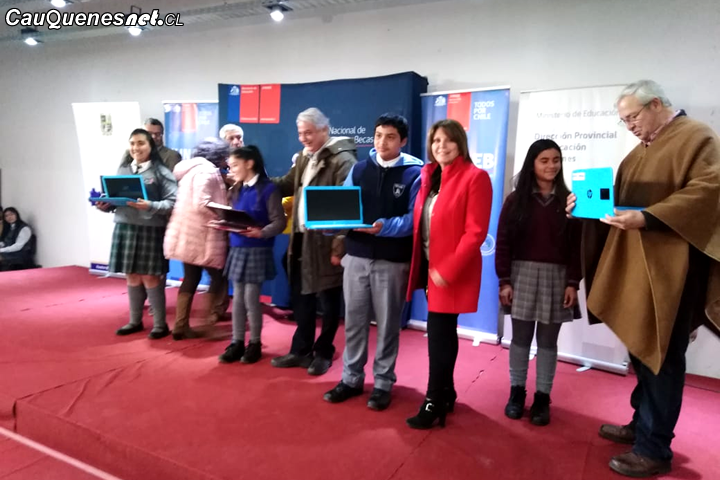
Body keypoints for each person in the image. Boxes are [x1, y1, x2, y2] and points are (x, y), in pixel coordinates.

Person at [567, 80, 720, 478]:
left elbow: (710, 190)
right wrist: (584, 205)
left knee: (662, 356)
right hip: (638, 268)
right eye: (624, 121)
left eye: (632, 116)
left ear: (655, 104)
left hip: (674, 272)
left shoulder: (696, 137)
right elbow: (616, 203)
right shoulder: (639, 152)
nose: (630, 126)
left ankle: (654, 448)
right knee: (641, 349)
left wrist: (649, 217)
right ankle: (642, 425)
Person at [323, 114, 423, 411]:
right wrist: (329, 224)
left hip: (392, 261)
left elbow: (414, 220)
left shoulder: (414, 174)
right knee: (354, 322)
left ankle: (382, 383)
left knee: (388, 325)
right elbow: (343, 208)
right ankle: (351, 378)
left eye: (390, 137)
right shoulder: (359, 169)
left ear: (403, 141)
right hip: (356, 257)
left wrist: (384, 227)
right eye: (378, 135)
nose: (382, 142)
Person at [405, 119, 493, 429]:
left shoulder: (475, 177)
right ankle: (447, 392)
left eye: (447, 140)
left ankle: (433, 400)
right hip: (431, 268)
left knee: (438, 335)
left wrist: (448, 270)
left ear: (460, 143)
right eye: (435, 141)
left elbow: (475, 232)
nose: (441, 146)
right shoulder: (431, 176)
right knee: (442, 333)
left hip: (450, 272)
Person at [495, 139, 581, 426]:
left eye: (556, 160)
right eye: (544, 160)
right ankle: (516, 393)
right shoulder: (515, 200)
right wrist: (504, 281)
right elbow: (503, 243)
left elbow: (577, 246)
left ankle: (543, 397)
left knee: (547, 342)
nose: (551, 166)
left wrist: (573, 282)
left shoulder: (570, 201)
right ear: (532, 163)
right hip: (521, 275)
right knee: (520, 339)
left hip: (558, 278)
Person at [271, 107, 357, 376]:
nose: (303, 138)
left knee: (329, 299)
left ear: (324, 130)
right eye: (300, 133)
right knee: (301, 296)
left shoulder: (343, 160)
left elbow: (346, 206)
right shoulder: (304, 158)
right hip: (300, 238)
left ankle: (323, 352)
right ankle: (301, 350)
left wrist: (338, 246)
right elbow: (286, 184)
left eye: (308, 133)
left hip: (325, 241)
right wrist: (255, 179)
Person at [97, 129, 178, 339]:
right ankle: (135, 321)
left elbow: (172, 203)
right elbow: (117, 199)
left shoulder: (161, 172)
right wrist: (105, 205)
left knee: (151, 277)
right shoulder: (123, 168)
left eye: (141, 143)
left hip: (150, 229)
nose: (136, 148)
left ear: (150, 146)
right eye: (132, 143)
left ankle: (160, 325)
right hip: (125, 226)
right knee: (131, 275)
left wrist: (149, 205)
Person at [217, 146, 286, 364]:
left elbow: (279, 222)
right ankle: (237, 342)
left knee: (250, 298)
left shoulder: (268, 189)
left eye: (235, 165)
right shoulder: (236, 189)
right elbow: (233, 216)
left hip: (257, 249)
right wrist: (222, 223)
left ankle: (254, 343)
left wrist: (261, 232)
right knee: (237, 298)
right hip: (238, 247)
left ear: (249, 163)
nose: (231, 170)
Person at [164, 138, 230, 340]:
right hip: (203, 234)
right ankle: (208, 321)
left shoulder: (190, 171)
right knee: (219, 276)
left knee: (191, 278)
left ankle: (180, 325)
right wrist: (225, 215)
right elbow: (202, 203)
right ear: (218, 155)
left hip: (187, 233)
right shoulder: (207, 171)